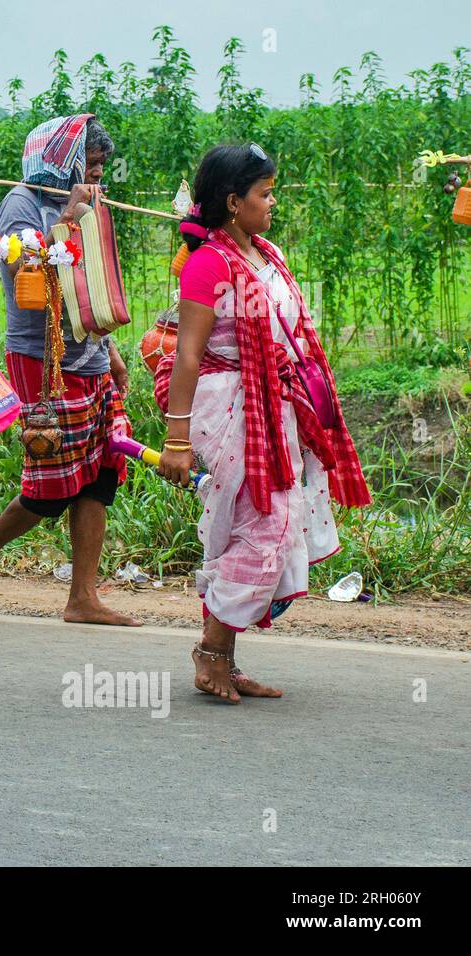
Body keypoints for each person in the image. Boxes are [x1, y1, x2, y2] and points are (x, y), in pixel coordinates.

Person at [159, 143, 370, 702]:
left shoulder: (264, 254)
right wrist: (175, 440)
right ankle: (210, 655)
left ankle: (219, 657)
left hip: (275, 412)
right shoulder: (208, 264)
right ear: (233, 201)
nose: (273, 202)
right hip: (232, 410)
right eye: (264, 193)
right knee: (267, 527)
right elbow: (187, 355)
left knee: (265, 525)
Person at [0, 114, 139, 627]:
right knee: (53, 483)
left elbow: (91, 286)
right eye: (92, 164)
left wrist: (113, 351)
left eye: (102, 166)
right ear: (59, 161)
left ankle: (82, 597)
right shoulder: (21, 203)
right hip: (43, 360)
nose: (100, 175)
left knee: (100, 475)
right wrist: (68, 220)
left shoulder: (87, 200)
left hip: (90, 354)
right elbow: (26, 280)